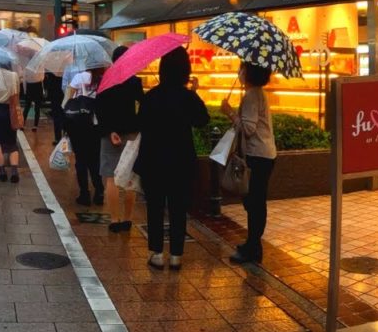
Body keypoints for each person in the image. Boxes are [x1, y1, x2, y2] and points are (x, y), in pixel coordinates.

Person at [135, 47, 210, 270]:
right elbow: (202, 120)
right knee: (178, 208)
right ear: (185, 71)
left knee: (155, 208)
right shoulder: (188, 97)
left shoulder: (151, 97)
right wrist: (194, 93)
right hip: (181, 162)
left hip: (153, 161)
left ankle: (157, 253)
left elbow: (140, 124)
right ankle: (176, 255)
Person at [221, 62, 277, 264]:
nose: (239, 71)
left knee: (254, 202)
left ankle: (253, 247)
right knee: (254, 201)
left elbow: (248, 129)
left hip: (258, 156)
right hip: (264, 155)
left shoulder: (252, 95)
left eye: (242, 68)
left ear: (249, 72)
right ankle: (253, 243)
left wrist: (229, 111)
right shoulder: (258, 93)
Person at [95, 46, 144, 232]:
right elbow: (143, 105)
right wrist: (137, 127)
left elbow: (99, 109)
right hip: (131, 134)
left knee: (110, 177)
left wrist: (109, 131)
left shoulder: (106, 80)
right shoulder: (134, 81)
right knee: (129, 177)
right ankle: (128, 218)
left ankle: (114, 220)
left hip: (110, 135)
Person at [64, 67, 105, 206]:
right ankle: (99, 191)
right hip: (95, 124)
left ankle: (84, 194)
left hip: (78, 124)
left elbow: (66, 100)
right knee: (95, 158)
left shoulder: (79, 77)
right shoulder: (103, 79)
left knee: (81, 158)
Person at [44, 70, 65, 144]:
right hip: (63, 94)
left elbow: (48, 84)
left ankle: (57, 138)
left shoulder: (51, 70)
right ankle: (65, 137)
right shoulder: (66, 68)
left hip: (55, 95)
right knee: (64, 115)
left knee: (57, 116)